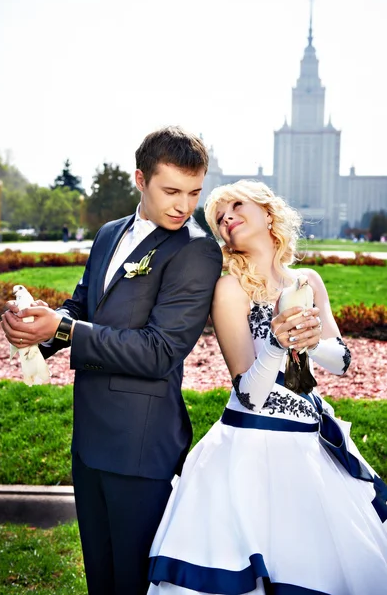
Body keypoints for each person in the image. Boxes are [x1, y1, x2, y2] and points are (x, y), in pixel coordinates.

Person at [1, 126, 223, 595]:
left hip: (141, 447)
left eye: (194, 192)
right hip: (90, 441)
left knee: (134, 584)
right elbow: (82, 307)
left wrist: (62, 329)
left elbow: (160, 351)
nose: (184, 205)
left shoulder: (196, 250)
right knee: (100, 580)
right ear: (140, 179)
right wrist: (36, 329)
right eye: (171, 191)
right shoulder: (108, 234)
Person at [148, 180, 387, 595]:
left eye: (236, 206)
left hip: (311, 444)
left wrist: (314, 341)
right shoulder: (229, 289)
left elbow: (343, 362)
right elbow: (248, 392)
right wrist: (276, 343)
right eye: (220, 218)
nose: (227, 219)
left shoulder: (308, 281)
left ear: (268, 213)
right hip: (249, 447)